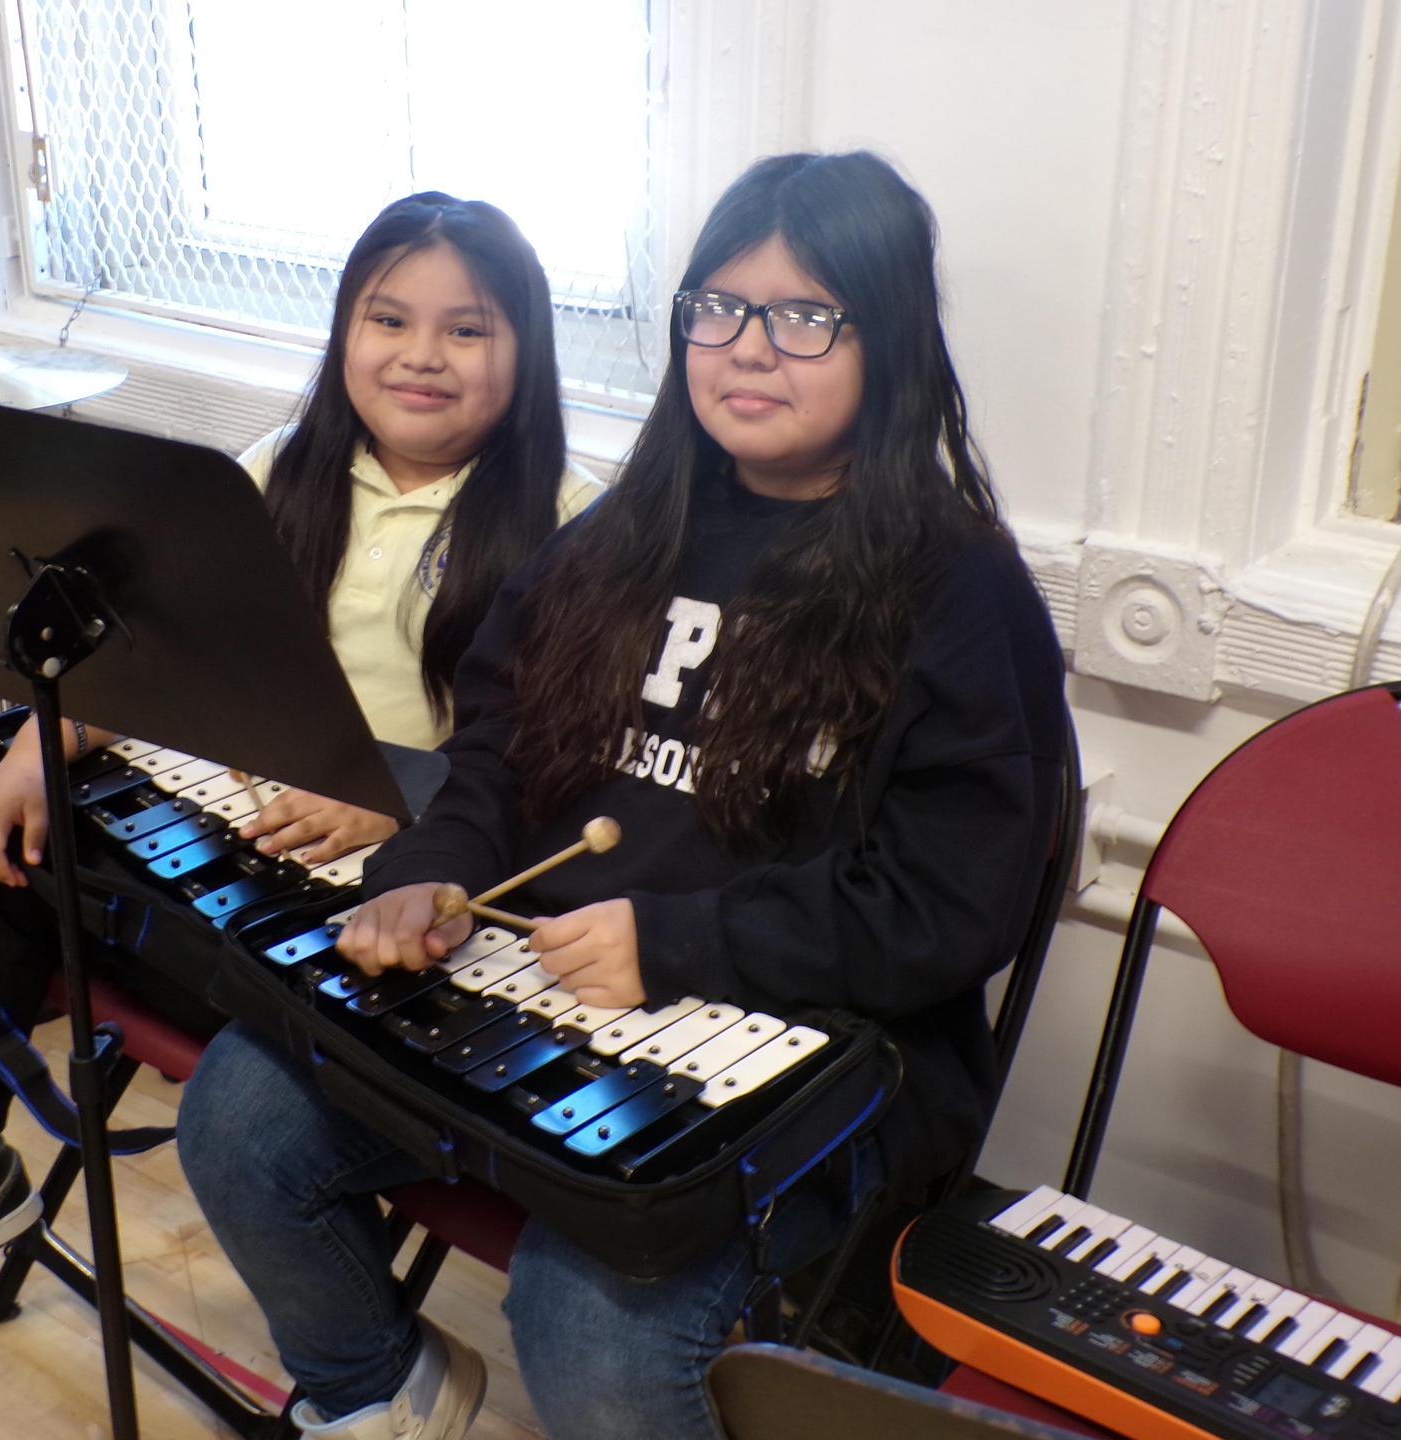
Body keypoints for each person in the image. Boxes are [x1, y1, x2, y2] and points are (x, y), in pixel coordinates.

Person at [175, 151, 1067, 1440]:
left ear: (893, 341)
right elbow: (493, 757)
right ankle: (376, 1393)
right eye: (719, 308)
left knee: (587, 1309)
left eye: (806, 317)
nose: (751, 350)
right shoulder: (619, 535)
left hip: (821, 1059)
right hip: (555, 1005)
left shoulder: (959, 591)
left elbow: (948, 906)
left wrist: (678, 942)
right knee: (243, 1112)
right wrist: (428, 869)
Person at [0, 191, 603, 1336]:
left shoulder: (578, 523)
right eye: (389, 320)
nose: (422, 356)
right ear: (344, 332)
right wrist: (32, 751)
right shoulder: (277, 465)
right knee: (8, 830)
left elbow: (557, 768)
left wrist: (396, 799)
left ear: (526, 350)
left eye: (468, 330)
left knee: (18, 897)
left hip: (392, 903)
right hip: (231, 848)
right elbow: (130, 648)